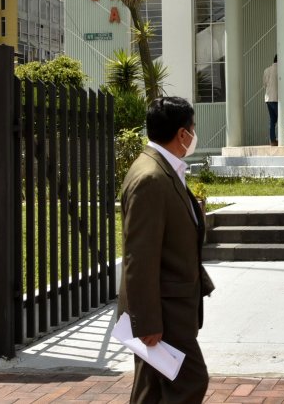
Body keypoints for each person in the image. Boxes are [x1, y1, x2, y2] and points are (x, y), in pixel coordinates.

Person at [118, 97, 215, 404]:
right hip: (163, 312)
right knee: (191, 381)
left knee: (151, 389)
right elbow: (139, 256)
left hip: (170, 306)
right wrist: (147, 322)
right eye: (193, 128)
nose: (194, 135)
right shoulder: (151, 177)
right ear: (182, 134)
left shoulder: (163, 169)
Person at [262, 55, 279, 146]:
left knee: (272, 120)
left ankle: (272, 140)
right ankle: (282, 139)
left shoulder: (267, 70)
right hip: (277, 98)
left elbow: (264, 84)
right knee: (280, 119)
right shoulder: (281, 70)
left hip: (268, 98)